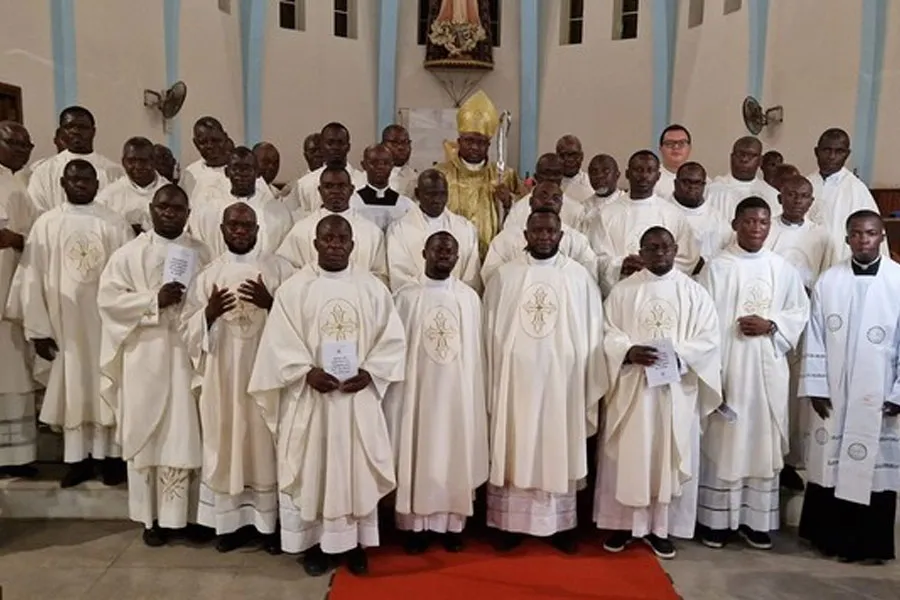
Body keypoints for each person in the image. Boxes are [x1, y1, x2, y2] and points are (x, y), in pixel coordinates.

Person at [249, 214, 406, 577]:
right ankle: (317, 543)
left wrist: (370, 372)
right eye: (328, 239)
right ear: (315, 244)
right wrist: (305, 372)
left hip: (356, 399)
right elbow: (278, 342)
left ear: (353, 245)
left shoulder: (372, 288)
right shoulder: (294, 289)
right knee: (315, 468)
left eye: (342, 240)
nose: (335, 245)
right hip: (312, 400)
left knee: (355, 470)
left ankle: (355, 544)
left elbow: (393, 340)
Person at [483, 208, 607, 554]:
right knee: (516, 444)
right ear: (525, 235)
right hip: (515, 382)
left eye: (550, 231)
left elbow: (592, 332)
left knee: (558, 446)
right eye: (536, 231)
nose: (543, 237)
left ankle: (560, 524)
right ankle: (511, 523)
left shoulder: (579, 278)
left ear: (561, 236)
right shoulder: (504, 277)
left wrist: (581, 371)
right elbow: (489, 333)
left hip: (562, 384)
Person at [596, 226, 721, 559]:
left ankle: (660, 529)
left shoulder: (694, 293)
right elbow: (607, 332)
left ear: (675, 248)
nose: (659, 253)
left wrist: (679, 355)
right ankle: (623, 525)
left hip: (674, 390)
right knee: (629, 455)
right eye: (651, 248)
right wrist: (627, 351)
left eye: (665, 247)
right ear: (642, 252)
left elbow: (709, 338)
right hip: (633, 389)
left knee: (666, 457)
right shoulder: (623, 291)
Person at [97, 183, 209, 546]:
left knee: (185, 433)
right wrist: (152, 300)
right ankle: (151, 520)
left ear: (188, 214)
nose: (169, 213)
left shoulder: (201, 253)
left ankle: (187, 518)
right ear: (152, 209)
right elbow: (109, 301)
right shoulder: (129, 255)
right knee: (148, 434)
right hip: (144, 356)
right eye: (163, 207)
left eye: (177, 209)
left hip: (185, 357)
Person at [696, 197, 810, 550]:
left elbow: (799, 312)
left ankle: (755, 521)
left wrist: (772, 325)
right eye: (749, 222)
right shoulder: (716, 268)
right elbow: (701, 320)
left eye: (762, 222)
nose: (756, 228)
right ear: (735, 224)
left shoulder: (782, 268)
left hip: (766, 372)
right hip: (728, 368)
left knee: (760, 440)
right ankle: (716, 521)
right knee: (725, 440)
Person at [182, 203, 294, 553]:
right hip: (223, 378)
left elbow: (299, 324)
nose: (240, 231)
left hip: (267, 379)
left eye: (247, 225)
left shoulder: (280, 271)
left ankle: (268, 524)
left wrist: (272, 303)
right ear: (223, 229)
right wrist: (209, 314)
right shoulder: (207, 275)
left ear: (258, 229)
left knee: (266, 446)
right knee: (226, 442)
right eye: (234, 225)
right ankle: (228, 524)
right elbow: (185, 328)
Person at [18, 159, 133, 488]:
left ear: (98, 184)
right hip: (64, 326)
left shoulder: (114, 224)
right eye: (74, 179)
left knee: (107, 386)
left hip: (106, 326)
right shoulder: (47, 225)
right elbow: (31, 278)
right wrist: (38, 329)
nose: (81, 184)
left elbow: (128, 277)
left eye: (87, 179)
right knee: (74, 387)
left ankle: (110, 458)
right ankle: (77, 459)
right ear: (63, 184)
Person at [798, 210, 900, 564]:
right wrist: (815, 385)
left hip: (879, 394)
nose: (863, 240)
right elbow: (815, 335)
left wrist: (899, 394)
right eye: (856, 234)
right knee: (830, 465)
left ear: (882, 237)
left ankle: (869, 546)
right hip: (835, 394)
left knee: (875, 471)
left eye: (870, 233)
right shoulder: (830, 281)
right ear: (847, 239)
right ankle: (829, 539)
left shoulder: (898, 281)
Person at [384, 231, 489, 554]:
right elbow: (394, 353)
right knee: (419, 451)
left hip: (457, 393)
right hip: (417, 395)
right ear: (423, 252)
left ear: (458, 258)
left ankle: (451, 525)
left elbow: (476, 354)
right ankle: (416, 527)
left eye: (450, 252)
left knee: (454, 452)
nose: (444, 256)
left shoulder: (469, 298)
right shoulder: (405, 297)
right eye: (437, 250)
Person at [764, 175, 832, 491]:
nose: (797, 201)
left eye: (804, 196)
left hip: (805, 324)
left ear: (811, 202)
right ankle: (768, 454)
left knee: (796, 396)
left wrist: (809, 292)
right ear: (780, 197)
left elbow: (831, 280)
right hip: (769, 323)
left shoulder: (822, 237)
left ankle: (791, 460)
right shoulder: (765, 228)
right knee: (771, 391)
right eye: (790, 194)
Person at [588, 150, 699, 296]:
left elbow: (688, 258)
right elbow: (594, 258)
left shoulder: (673, 214)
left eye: (650, 171)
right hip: (622, 293)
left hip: (663, 292)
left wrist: (658, 266)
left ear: (658, 176)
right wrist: (621, 265)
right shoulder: (606, 214)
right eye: (638, 170)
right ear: (627, 173)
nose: (644, 176)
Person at [436, 90, 522, 257]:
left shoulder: (505, 175)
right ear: (459, 142)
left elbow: (523, 213)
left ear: (488, 145)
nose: (475, 147)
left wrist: (508, 201)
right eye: (469, 141)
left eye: (481, 142)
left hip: (492, 254)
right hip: (450, 254)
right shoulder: (441, 174)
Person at [0, 121, 39, 478]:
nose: (24, 150)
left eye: (27, 145)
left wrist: (19, 239)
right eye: (16, 143)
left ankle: (18, 455)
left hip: (12, 294)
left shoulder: (19, 184)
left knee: (14, 372)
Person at [277, 165, 387, 281]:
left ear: (351, 190)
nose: (335, 191)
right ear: (320, 190)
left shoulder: (371, 232)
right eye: (329, 186)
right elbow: (285, 269)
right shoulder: (301, 229)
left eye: (341, 186)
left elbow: (380, 275)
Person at [482, 182, 597, 285]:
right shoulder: (506, 238)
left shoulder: (577, 240)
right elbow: (492, 278)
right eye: (543, 196)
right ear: (531, 201)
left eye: (555, 199)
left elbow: (588, 280)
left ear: (561, 205)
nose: (549, 201)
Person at [386, 169, 480, 292]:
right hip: (415, 301)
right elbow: (399, 274)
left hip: (456, 299)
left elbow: (471, 275)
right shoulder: (398, 230)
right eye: (431, 194)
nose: (437, 200)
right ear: (418, 194)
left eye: (442, 194)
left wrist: (458, 295)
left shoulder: (466, 228)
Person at [189, 147, 291, 258]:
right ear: (227, 172)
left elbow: (283, 252)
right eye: (236, 169)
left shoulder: (278, 212)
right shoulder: (208, 211)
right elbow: (199, 248)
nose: (241, 174)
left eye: (247, 169)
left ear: (257, 172)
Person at [807, 128, 885, 268]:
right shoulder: (805, 184)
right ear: (816, 151)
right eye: (826, 150)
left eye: (839, 151)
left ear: (847, 154)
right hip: (805, 260)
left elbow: (872, 234)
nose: (832, 156)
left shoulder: (857, 190)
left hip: (840, 265)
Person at [27, 106, 123, 213]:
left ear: (93, 131)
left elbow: (119, 208)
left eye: (82, 127)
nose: (75, 131)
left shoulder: (114, 171)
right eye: (69, 127)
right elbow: (36, 210)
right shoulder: (44, 171)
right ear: (61, 131)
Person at [289, 123, 366, 217]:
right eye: (330, 143)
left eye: (340, 143)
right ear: (321, 146)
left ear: (348, 147)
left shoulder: (363, 182)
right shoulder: (305, 184)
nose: (335, 147)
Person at [96, 137, 169, 236]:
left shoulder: (169, 193)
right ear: (123, 162)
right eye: (131, 161)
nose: (138, 166)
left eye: (143, 161)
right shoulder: (109, 196)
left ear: (153, 161)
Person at [670, 162, 731, 267]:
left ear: (704, 185)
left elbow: (730, 249)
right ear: (675, 183)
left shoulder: (716, 217)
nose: (691, 187)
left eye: (697, 183)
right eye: (686, 182)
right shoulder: (664, 212)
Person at [503, 153, 584, 232]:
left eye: (557, 173)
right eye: (547, 173)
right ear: (536, 176)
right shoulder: (518, 210)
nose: (552, 178)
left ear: (562, 177)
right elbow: (508, 240)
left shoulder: (576, 210)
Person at [706, 137, 779, 218]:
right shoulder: (712, 190)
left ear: (760, 161)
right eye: (740, 154)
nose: (744, 159)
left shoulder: (772, 195)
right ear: (731, 157)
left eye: (751, 155)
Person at [350, 144, 415, 232]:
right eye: (374, 163)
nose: (380, 167)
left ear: (392, 165)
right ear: (363, 165)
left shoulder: (406, 205)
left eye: (386, 163)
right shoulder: (352, 203)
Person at [179, 117, 230, 199]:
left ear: (225, 137)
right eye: (203, 142)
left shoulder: (240, 170)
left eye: (215, 140)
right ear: (195, 143)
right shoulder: (191, 173)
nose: (210, 146)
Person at [580, 153, 624, 235]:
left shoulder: (625, 203)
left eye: (606, 171)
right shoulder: (583, 207)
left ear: (617, 175)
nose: (599, 176)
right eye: (594, 172)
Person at [655, 124, 696, 198]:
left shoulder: (700, 179)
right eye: (669, 143)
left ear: (689, 148)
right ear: (660, 149)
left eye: (681, 143)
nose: (676, 147)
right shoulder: (651, 179)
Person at [382, 124, 417, 199]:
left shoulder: (415, 179)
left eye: (405, 142)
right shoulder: (367, 178)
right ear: (382, 145)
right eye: (394, 143)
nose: (401, 147)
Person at [555, 135, 594, 203]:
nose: (569, 160)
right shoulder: (549, 184)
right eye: (564, 155)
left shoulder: (592, 184)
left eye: (574, 155)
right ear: (557, 157)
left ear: (582, 156)